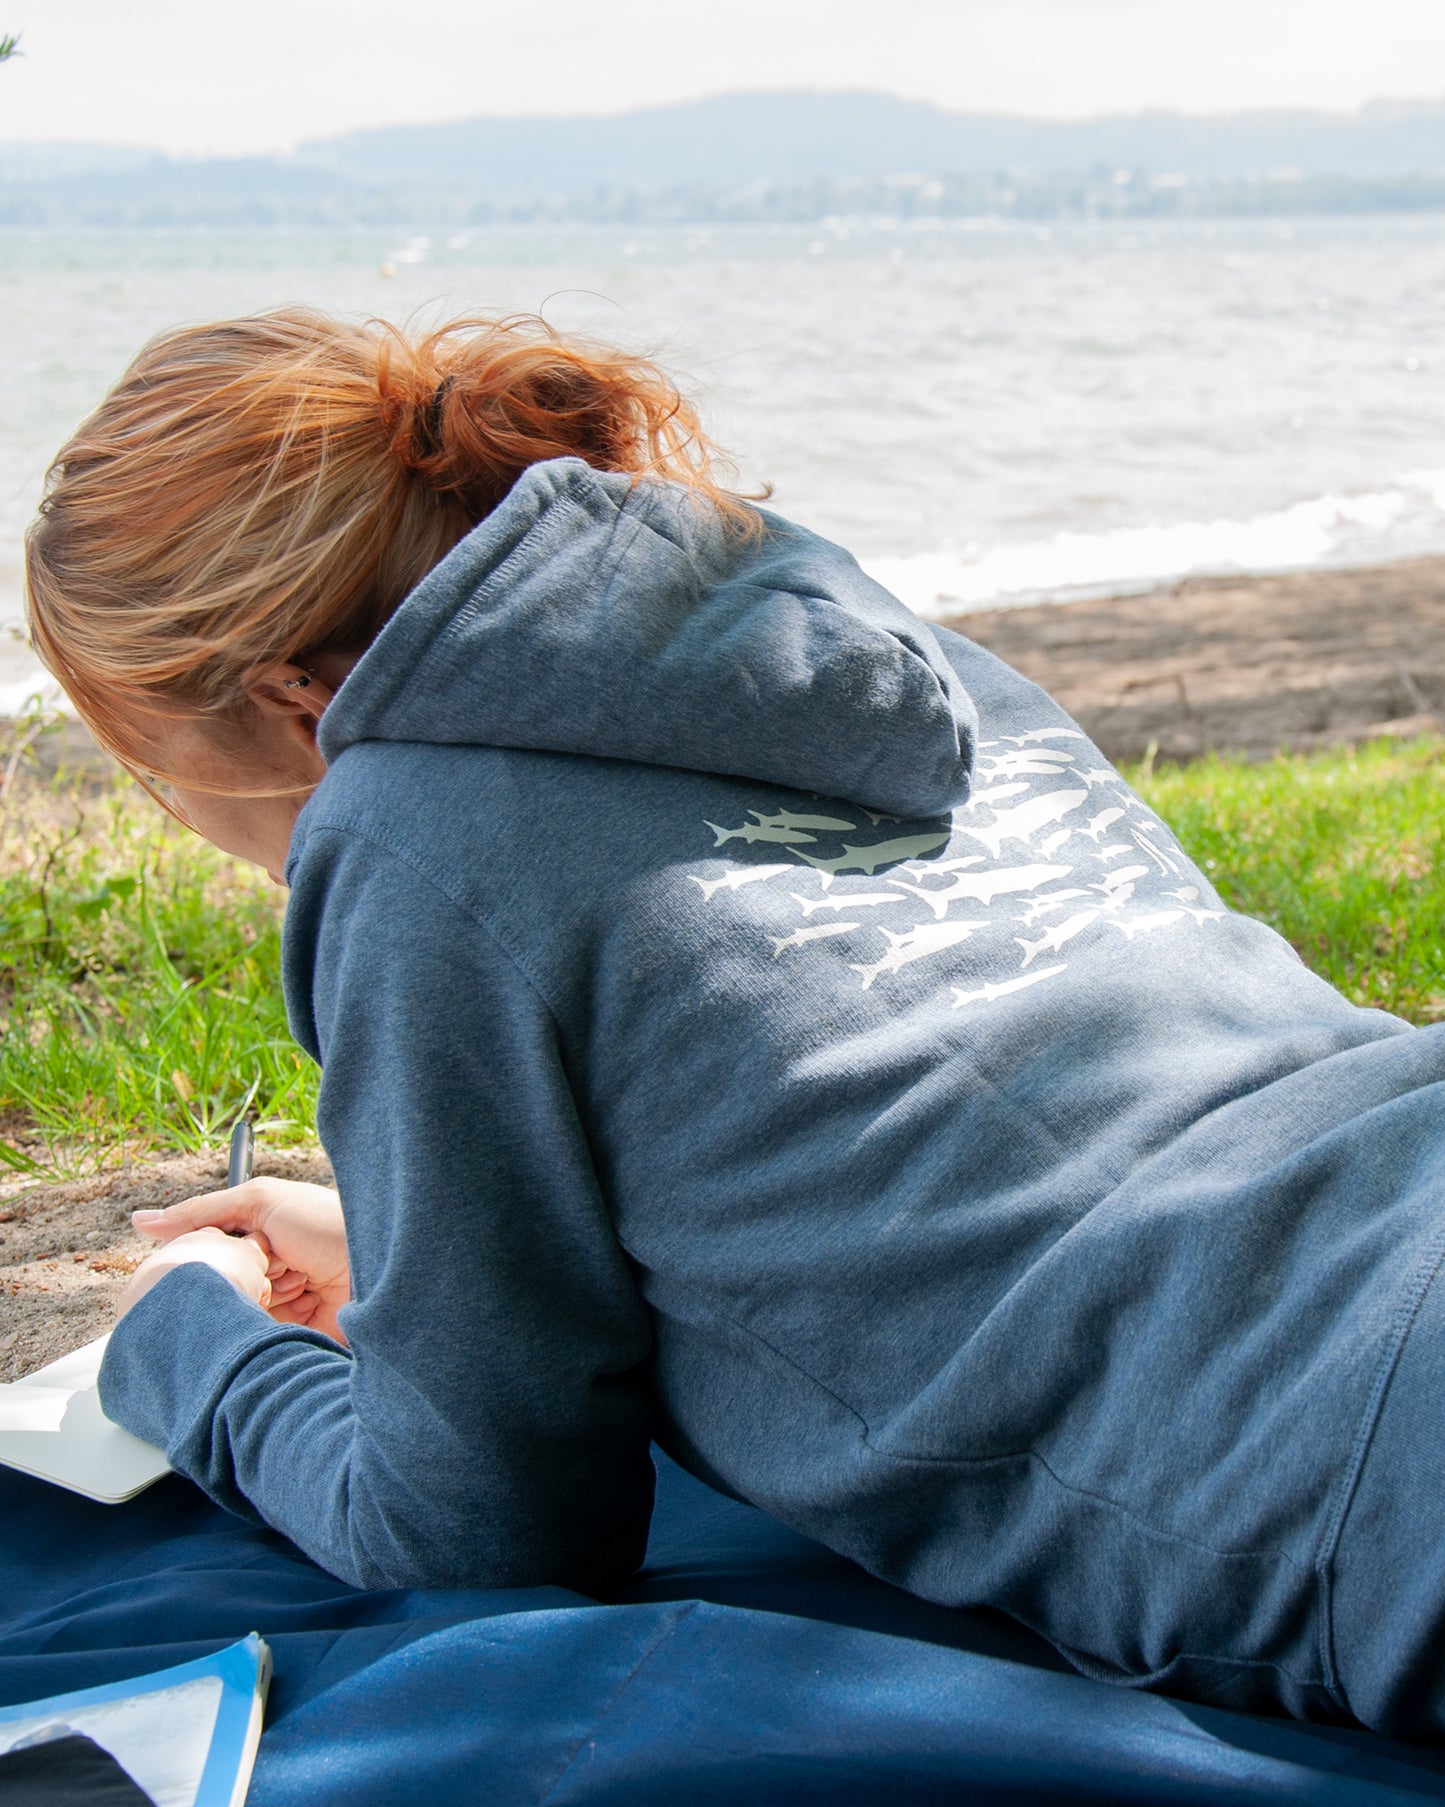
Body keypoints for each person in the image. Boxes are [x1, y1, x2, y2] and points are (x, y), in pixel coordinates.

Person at [24, 308, 1445, 1742]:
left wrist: (194, 1352)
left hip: (1334, 1447)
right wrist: (417, 1264)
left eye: (151, 771)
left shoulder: (407, 830)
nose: (182, 821)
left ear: (289, 700)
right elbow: (905, 1092)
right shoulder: (858, 659)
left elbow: (471, 1541)